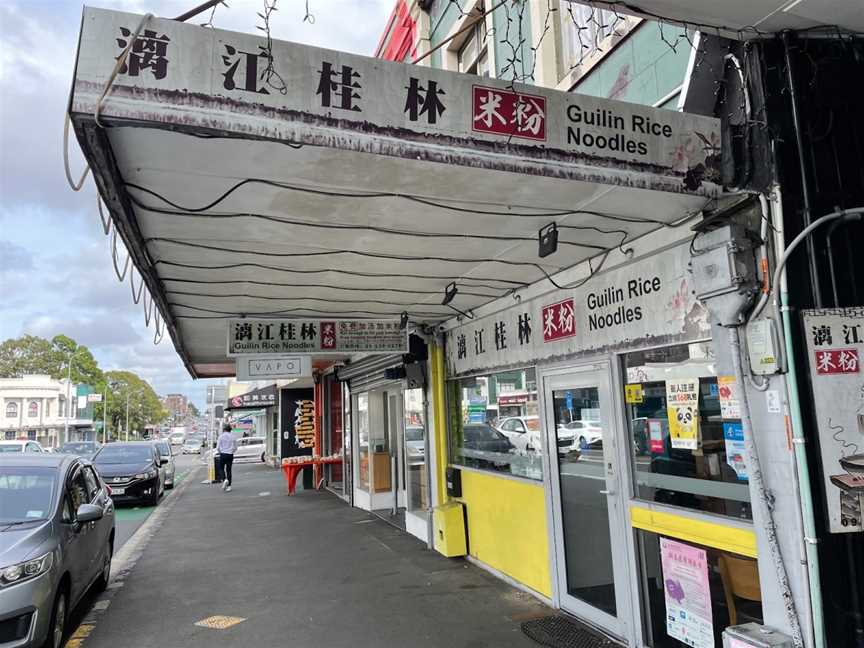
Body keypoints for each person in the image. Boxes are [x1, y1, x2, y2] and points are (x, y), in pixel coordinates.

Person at [217, 423, 237, 492]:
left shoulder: (221, 436)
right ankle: (229, 486)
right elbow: (235, 448)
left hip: (223, 454)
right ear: (230, 430)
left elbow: (218, 447)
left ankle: (225, 479)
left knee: (221, 468)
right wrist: (231, 451)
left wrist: (220, 452)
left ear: (224, 429)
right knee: (229, 470)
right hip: (230, 455)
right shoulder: (233, 437)